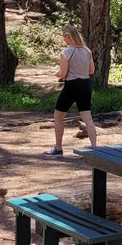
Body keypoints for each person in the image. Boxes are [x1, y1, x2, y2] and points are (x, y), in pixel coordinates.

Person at [44, 27, 99, 157]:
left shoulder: (67, 52)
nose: (64, 41)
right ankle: (95, 149)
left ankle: (58, 148)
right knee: (87, 117)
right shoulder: (87, 51)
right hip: (85, 85)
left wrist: (55, 73)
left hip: (72, 85)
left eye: (64, 38)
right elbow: (91, 71)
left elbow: (63, 74)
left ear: (69, 36)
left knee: (58, 116)